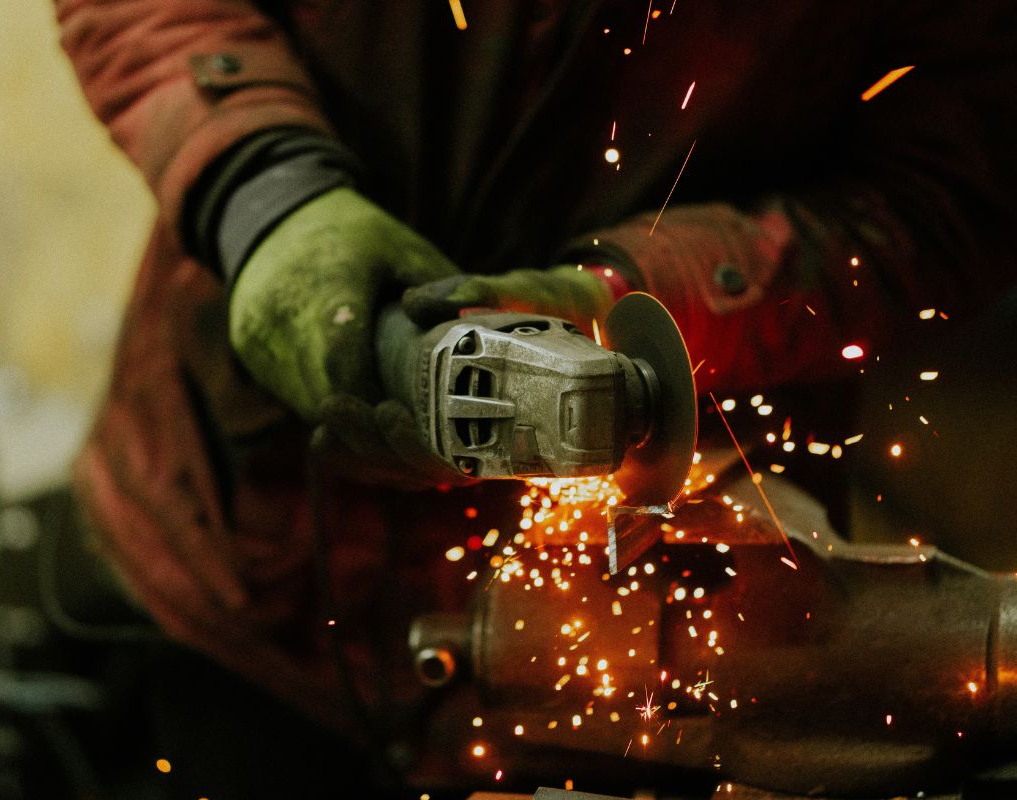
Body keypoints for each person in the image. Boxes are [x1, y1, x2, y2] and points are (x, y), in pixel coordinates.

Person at [54, 1, 1017, 794]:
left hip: (666, 638)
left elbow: (962, 182)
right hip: (237, 560)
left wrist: (648, 291)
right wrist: (265, 193)